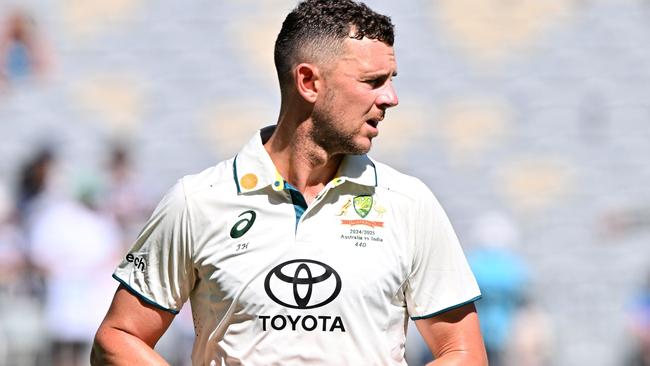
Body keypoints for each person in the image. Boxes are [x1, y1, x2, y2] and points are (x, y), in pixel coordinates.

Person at [92, 1, 487, 365]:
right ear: (308, 82)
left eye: (391, 79)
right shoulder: (197, 201)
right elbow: (118, 336)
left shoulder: (408, 203)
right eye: (373, 80)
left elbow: (463, 352)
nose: (391, 98)